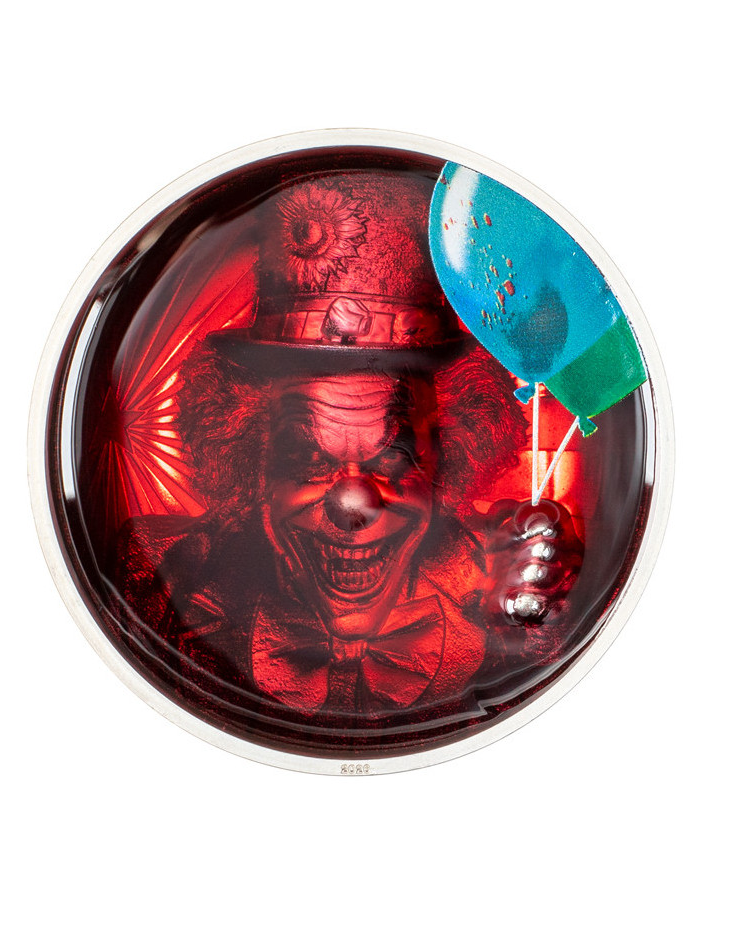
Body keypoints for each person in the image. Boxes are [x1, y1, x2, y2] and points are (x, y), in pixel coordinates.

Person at [113, 169, 582, 719]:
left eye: (394, 456)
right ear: (249, 456)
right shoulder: (162, 584)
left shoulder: (505, 583)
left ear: (449, 457)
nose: (352, 505)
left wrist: (538, 621)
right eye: (307, 458)